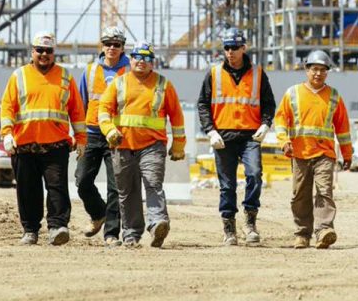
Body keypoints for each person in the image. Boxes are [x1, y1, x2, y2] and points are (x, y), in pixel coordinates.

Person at [0, 31, 87, 246]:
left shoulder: (65, 77)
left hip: (55, 145)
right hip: (24, 145)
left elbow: (76, 110)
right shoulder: (19, 76)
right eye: (40, 50)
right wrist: (7, 134)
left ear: (53, 53)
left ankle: (58, 227)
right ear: (33, 51)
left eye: (48, 51)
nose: (44, 54)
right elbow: (7, 107)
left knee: (57, 187)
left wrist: (81, 138)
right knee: (28, 190)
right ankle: (30, 230)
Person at [97, 42, 186, 249]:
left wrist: (178, 145)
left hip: (152, 145)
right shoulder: (119, 83)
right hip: (122, 144)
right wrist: (110, 130)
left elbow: (176, 115)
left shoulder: (163, 84)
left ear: (152, 62)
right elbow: (103, 109)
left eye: (146, 58)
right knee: (128, 192)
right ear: (131, 59)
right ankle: (131, 235)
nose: (141, 61)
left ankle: (157, 224)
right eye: (137, 56)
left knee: (153, 184)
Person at [196, 27, 276, 246]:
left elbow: (268, 103)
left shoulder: (258, 74)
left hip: (250, 136)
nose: (230, 52)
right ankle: (229, 226)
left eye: (234, 48)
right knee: (227, 185)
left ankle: (250, 220)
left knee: (254, 174)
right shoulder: (214, 73)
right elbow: (202, 104)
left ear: (244, 48)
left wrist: (266, 124)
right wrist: (210, 130)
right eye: (226, 48)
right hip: (223, 136)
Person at [274, 50, 353, 249]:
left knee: (325, 191)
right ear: (306, 70)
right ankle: (302, 233)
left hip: (325, 154)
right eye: (314, 69)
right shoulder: (293, 93)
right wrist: (283, 141)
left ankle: (324, 229)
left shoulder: (334, 96)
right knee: (300, 195)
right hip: (299, 154)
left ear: (327, 73)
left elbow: (343, 128)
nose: (318, 74)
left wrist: (347, 154)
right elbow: (281, 120)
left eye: (323, 70)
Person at [75, 26, 130, 247]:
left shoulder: (130, 71)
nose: (111, 48)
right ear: (102, 46)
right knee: (82, 180)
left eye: (116, 45)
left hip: (117, 135)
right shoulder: (89, 71)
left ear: (122, 47)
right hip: (91, 134)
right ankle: (98, 213)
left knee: (115, 186)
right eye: (108, 44)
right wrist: (78, 135)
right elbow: (81, 104)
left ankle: (112, 234)